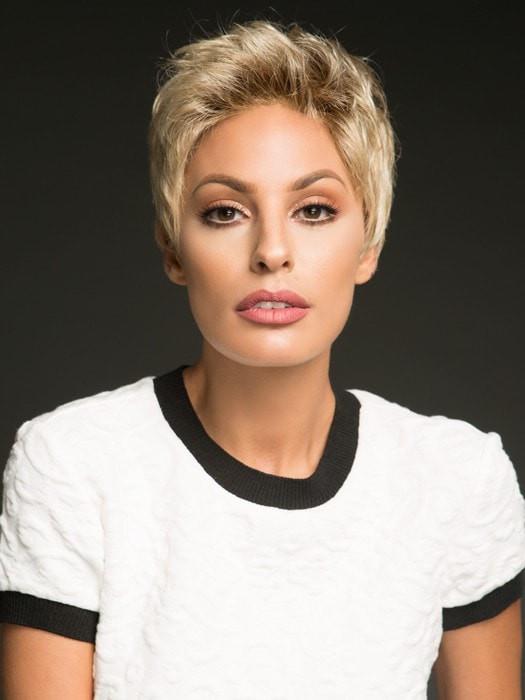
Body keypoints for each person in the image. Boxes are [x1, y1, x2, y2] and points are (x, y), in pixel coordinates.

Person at [1, 17, 524, 699]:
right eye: (225, 212)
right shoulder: (73, 465)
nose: (272, 251)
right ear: (173, 250)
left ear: (368, 245)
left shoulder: (457, 479)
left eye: (314, 210)